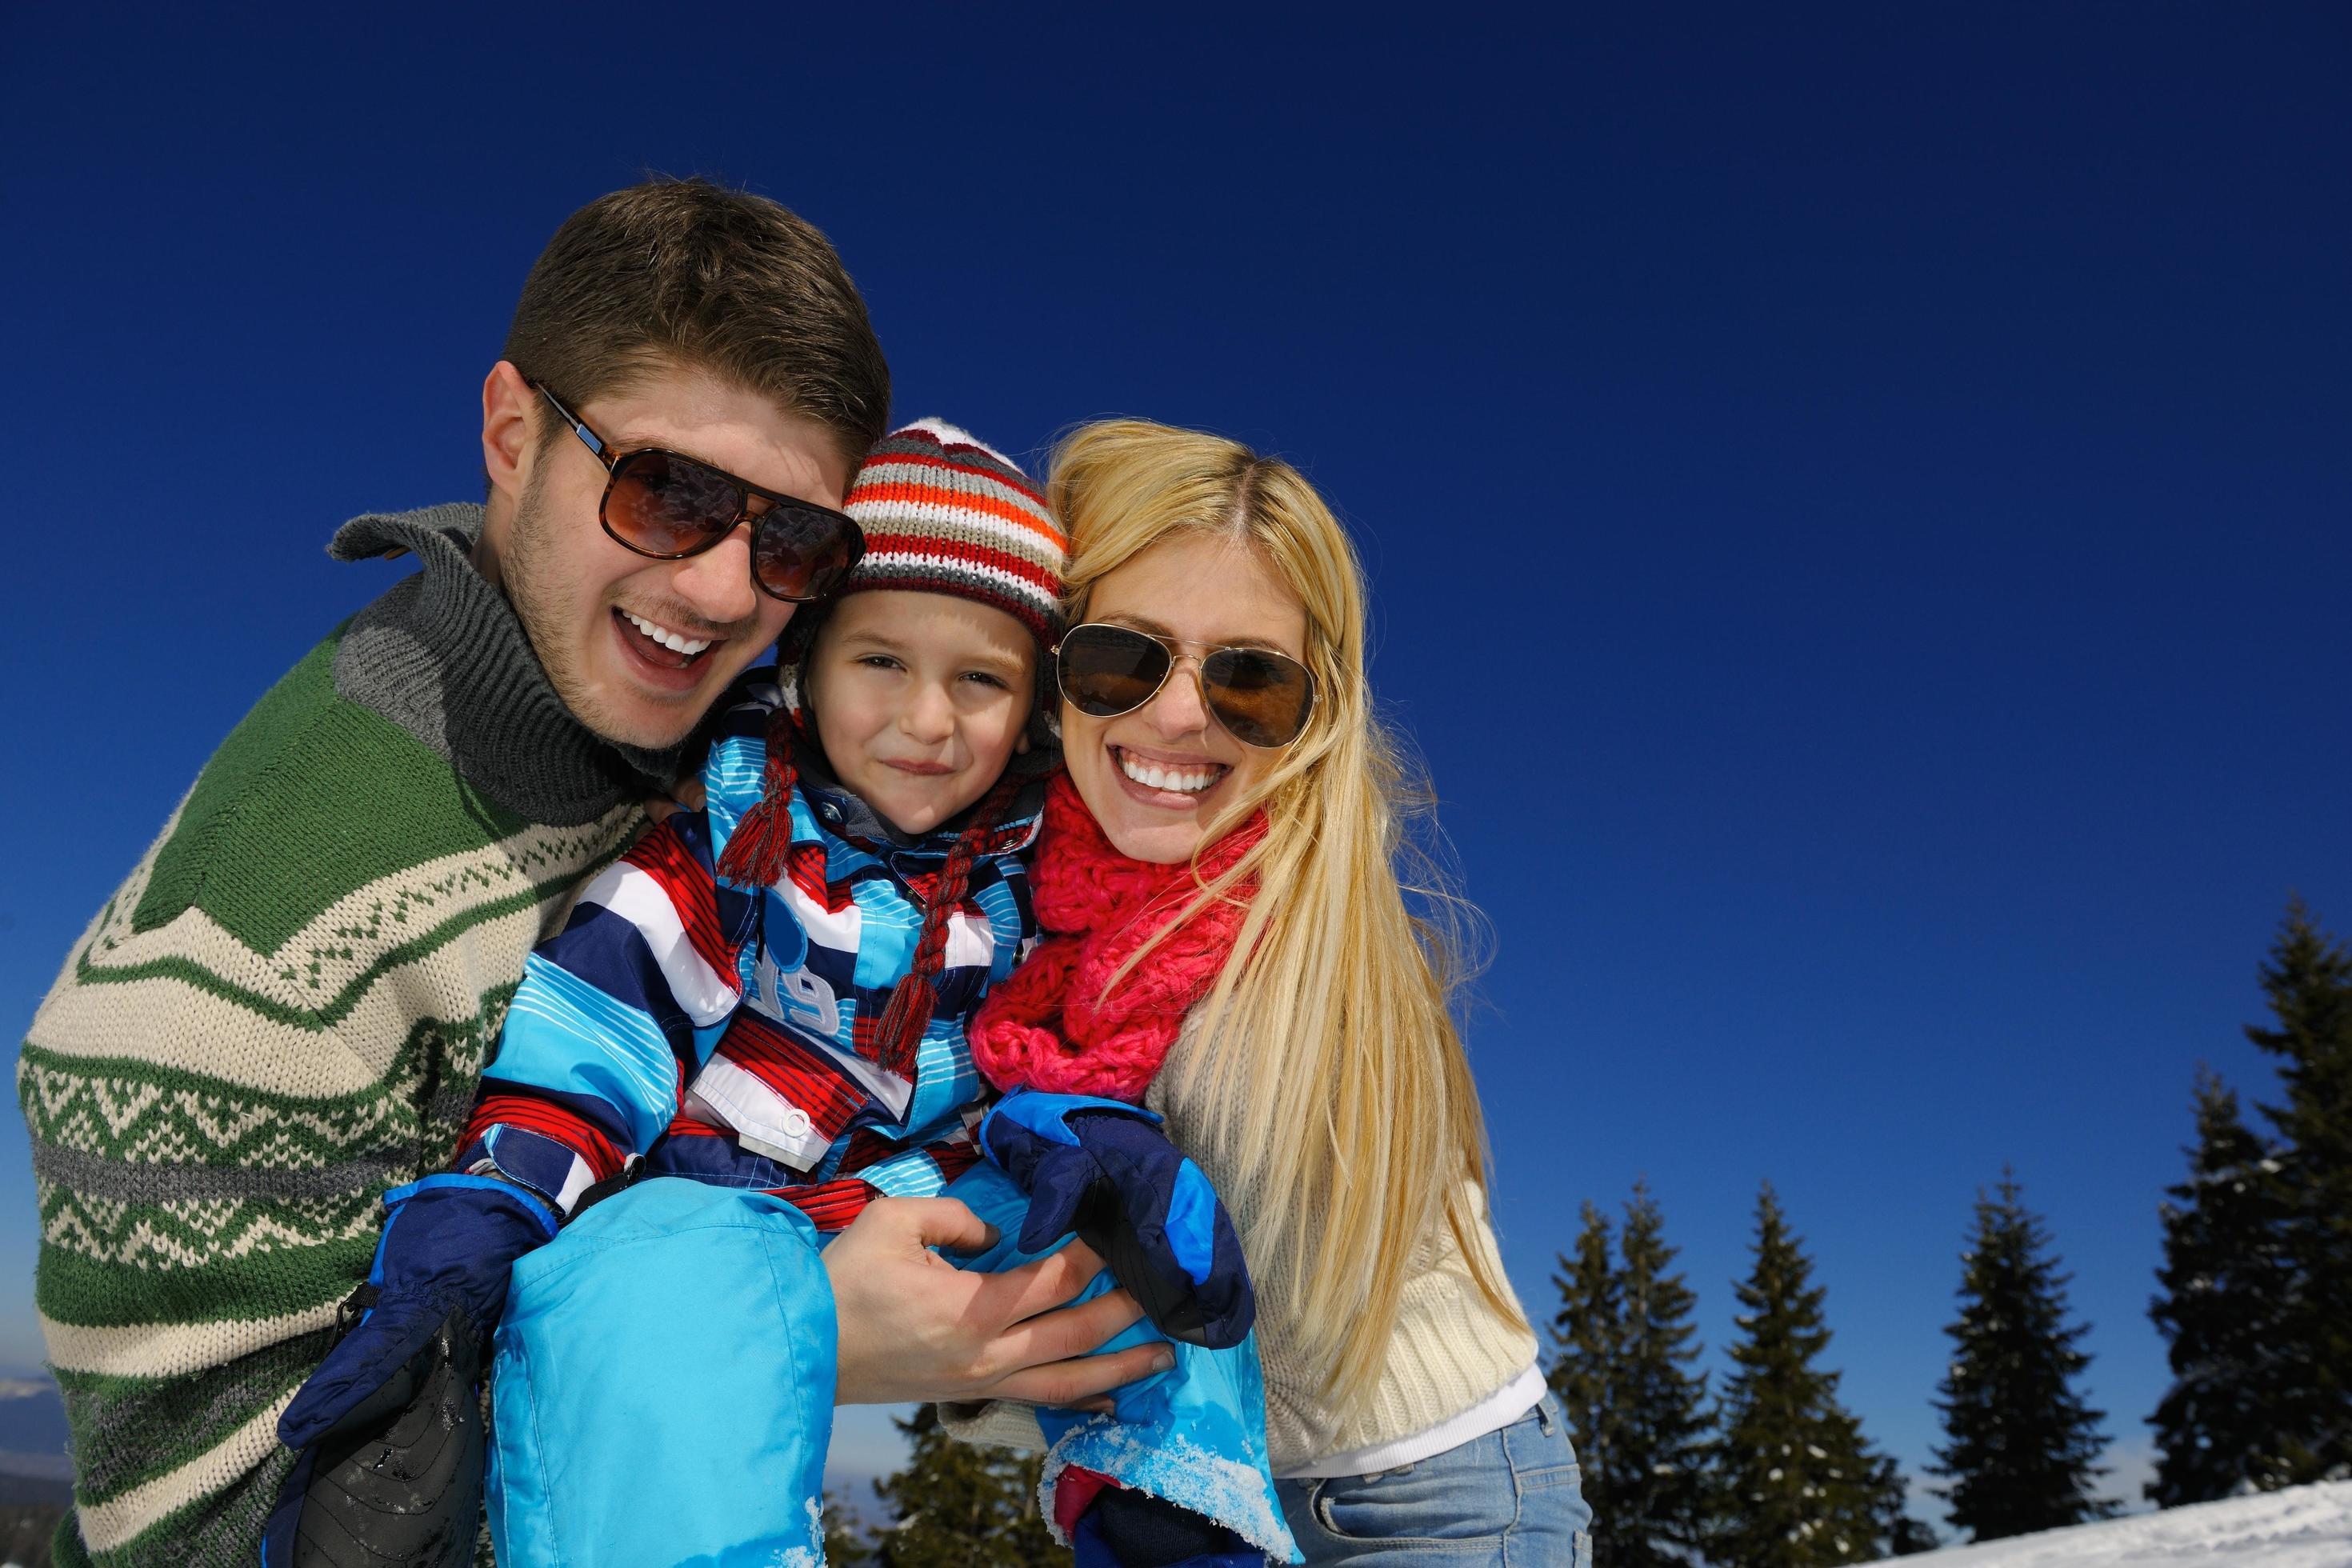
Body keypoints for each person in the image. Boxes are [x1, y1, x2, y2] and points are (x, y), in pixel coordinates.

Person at [14, 182, 1162, 1568]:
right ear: (511, 433)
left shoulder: (743, 764)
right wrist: (799, 1333)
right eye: (669, 493)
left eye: (792, 541)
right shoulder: (243, 970)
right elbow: (216, 1529)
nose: (728, 593)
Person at [277, 419, 1293, 1567]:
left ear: (1031, 713)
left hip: (917, 1203)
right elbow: (592, 1051)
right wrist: (476, 1230)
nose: (926, 720)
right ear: (806, 669)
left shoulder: (1021, 872)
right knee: (661, 1296)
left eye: (980, 679)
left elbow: (1024, 1047)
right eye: (881, 663)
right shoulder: (730, 848)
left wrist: (1079, 1133)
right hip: (713, 1212)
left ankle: (1177, 1522)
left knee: (1131, 1246)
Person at [954, 419, 1597, 1565]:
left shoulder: (1308, 921)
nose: (1179, 714)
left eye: (1248, 678)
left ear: (1312, 712)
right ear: (1054, 670)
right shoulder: (1019, 907)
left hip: (1436, 1498)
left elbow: (1200, 1274)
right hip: (1204, 1495)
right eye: (1122, 656)